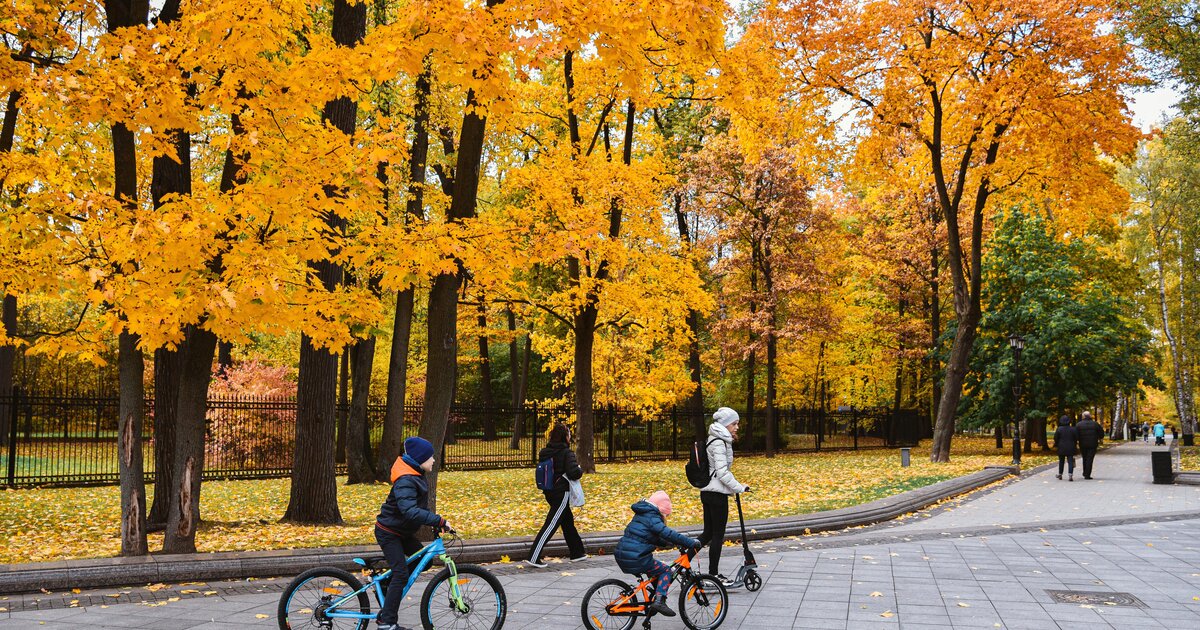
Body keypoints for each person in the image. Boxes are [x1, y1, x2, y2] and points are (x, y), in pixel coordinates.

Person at [375, 437, 450, 630]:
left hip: (400, 531)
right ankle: (387, 622)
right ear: (420, 459)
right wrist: (438, 520)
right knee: (400, 574)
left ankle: (386, 585)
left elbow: (413, 509)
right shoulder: (406, 480)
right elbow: (409, 510)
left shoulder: (414, 474)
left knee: (424, 560)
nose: (433, 460)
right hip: (389, 533)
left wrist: (434, 524)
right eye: (430, 457)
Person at [614, 491, 700, 618]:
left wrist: (670, 543)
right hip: (637, 557)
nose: (665, 518)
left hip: (623, 553)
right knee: (666, 571)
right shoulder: (653, 517)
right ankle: (659, 601)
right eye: (665, 515)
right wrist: (690, 542)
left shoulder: (643, 514)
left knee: (655, 572)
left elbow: (651, 536)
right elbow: (667, 533)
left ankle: (654, 599)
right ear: (661, 510)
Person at [694, 407, 750, 587]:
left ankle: (683, 559)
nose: (737, 427)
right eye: (734, 423)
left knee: (708, 533)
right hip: (716, 494)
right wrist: (739, 488)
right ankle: (713, 576)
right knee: (717, 534)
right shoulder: (719, 441)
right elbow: (722, 472)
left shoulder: (718, 438)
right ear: (725, 424)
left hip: (708, 492)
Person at [526, 423, 587, 568]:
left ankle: (577, 553)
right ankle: (533, 557)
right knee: (551, 524)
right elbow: (574, 473)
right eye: (569, 434)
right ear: (565, 437)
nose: (570, 436)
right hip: (561, 492)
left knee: (567, 521)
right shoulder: (567, 453)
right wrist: (579, 469)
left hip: (549, 491)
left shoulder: (545, 451)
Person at [1075, 411, 1103, 480]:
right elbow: (1101, 434)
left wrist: (1078, 440)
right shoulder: (1095, 424)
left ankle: (1085, 472)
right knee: (1090, 459)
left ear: (1083, 416)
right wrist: (1098, 438)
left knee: (1084, 458)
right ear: (1090, 416)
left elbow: (1076, 435)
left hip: (1083, 444)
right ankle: (1087, 474)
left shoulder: (1079, 425)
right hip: (1093, 444)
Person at [1054, 415, 1079, 481]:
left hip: (1061, 447)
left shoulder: (1059, 429)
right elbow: (1076, 437)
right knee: (1070, 461)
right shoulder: (1073, 429)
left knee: (1061, 461)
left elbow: (1056, 438)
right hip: (1071, 447)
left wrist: (1057, 443)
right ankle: (1070, 475)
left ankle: (1060, 474)